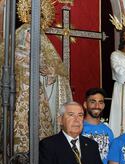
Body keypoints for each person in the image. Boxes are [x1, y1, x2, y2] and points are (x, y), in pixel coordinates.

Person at [0, 22, 72, 153]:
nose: (31, 35)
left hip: (37, 95)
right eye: (29, 31)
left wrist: (50, 73)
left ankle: (39, 156)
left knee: (40, 126)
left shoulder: (41, 54)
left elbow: (54, 74)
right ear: (23, 33)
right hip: (18, 93)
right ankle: (17, 156)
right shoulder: (13, 52)